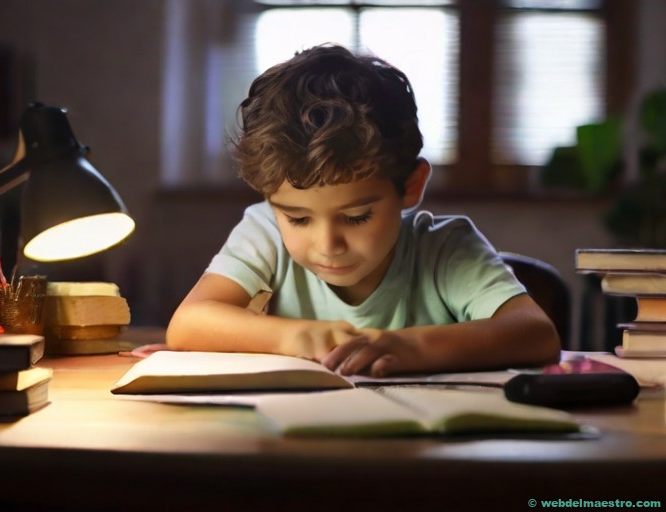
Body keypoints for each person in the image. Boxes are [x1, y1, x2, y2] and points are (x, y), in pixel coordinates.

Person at [165, 44, 560, 377]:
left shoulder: (445, 248)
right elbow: (189, 322)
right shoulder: (264, 230)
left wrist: (412, 348)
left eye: (356, 217)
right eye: (298, 219)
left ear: (411, 186)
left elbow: (536, 334)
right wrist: (296, 337)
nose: (328, 244)